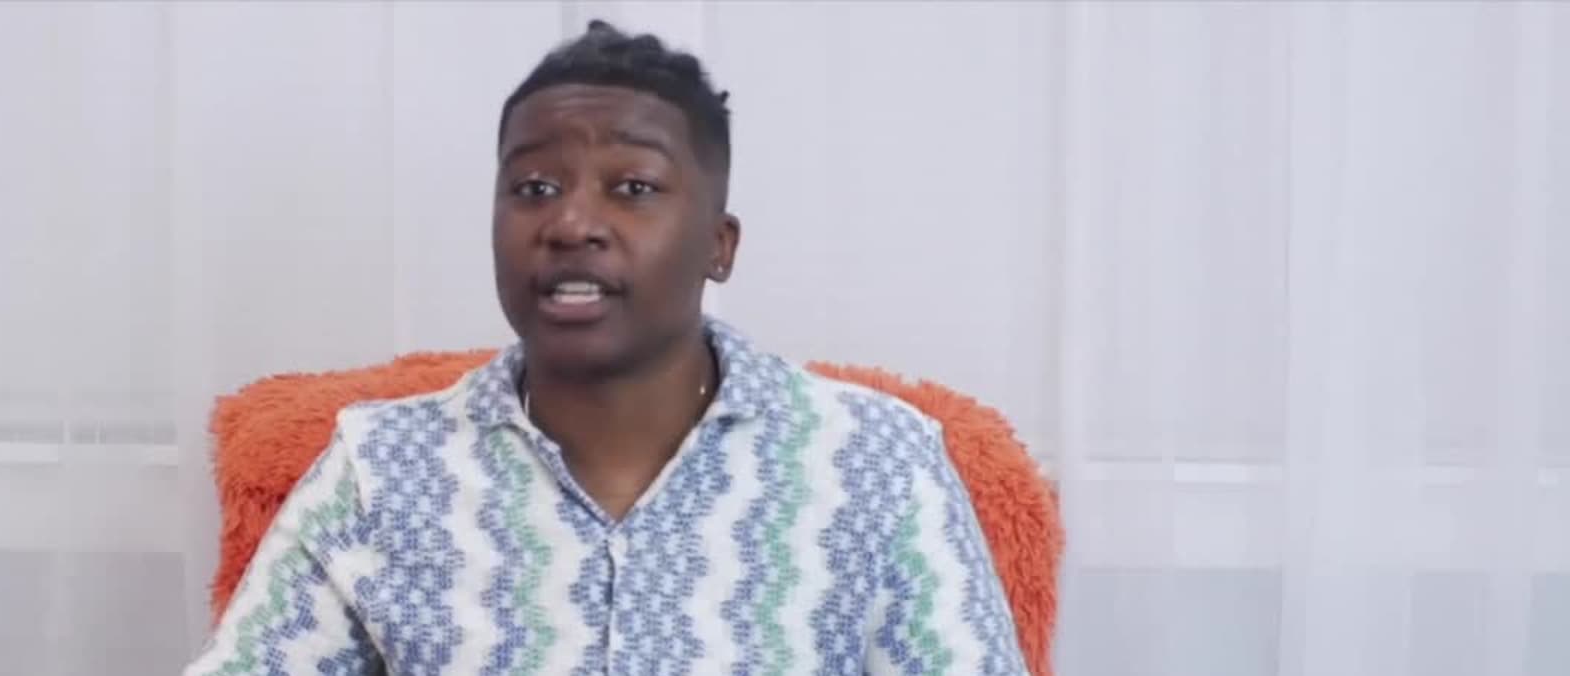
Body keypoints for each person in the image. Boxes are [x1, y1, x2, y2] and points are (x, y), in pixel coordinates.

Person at [184, 20, 1029, 676]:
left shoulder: (875, 465)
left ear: (719, 246)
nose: (570, 224)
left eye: (632, 188)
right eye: (534, 188)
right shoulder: (381, 472)